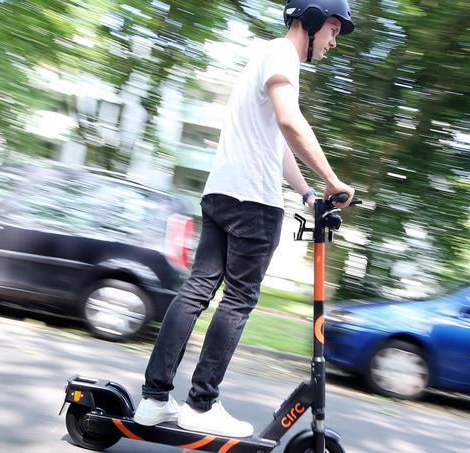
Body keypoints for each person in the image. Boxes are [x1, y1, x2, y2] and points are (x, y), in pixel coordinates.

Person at [132, 0, 356, 438]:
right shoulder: (284, 56)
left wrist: (309, 193)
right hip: (254, 203)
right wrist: (332, 180)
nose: (333, 42)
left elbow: (276, 144)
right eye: (332, 30)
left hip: (220, 193)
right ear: (311, 21)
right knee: (238, 299)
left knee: (196, 291)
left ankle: (154, 399)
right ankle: (201, 404)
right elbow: (290, 122)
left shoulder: (264, 56)